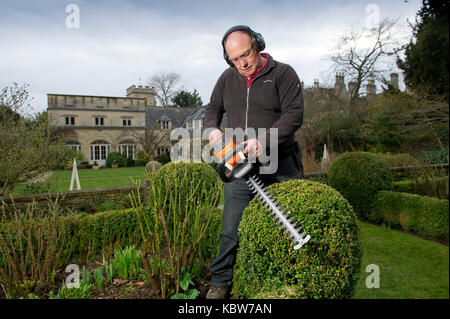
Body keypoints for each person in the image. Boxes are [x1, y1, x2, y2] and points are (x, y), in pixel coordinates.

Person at [204, 25, 305, 299]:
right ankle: (221, 282)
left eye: (246, 55)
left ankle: (296, 280)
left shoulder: (283, 73)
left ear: (257, 45)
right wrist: (212, 129)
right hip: (240, 166)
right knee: (230, 229)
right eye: (234, 59)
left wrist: (264, 140)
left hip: (281, 163)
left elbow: (294, 115)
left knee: (293, 221)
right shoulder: (227, 78)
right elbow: (212, 108)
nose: (242, 63)